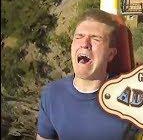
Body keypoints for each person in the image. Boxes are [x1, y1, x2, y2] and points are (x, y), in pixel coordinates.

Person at [36, 9, 132, 139]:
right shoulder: (52, 93)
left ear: (110, 54)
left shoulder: (132, 97)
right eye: (79, 36)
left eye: (95, 39)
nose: (85, 44)